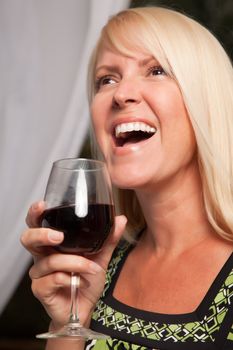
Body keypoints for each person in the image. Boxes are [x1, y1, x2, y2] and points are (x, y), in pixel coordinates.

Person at [21, 6, 233, 350]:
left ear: (206, 101)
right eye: (107, 79)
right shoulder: (98, 266)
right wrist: (68, 321)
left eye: (156, 70)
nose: (121, 94)